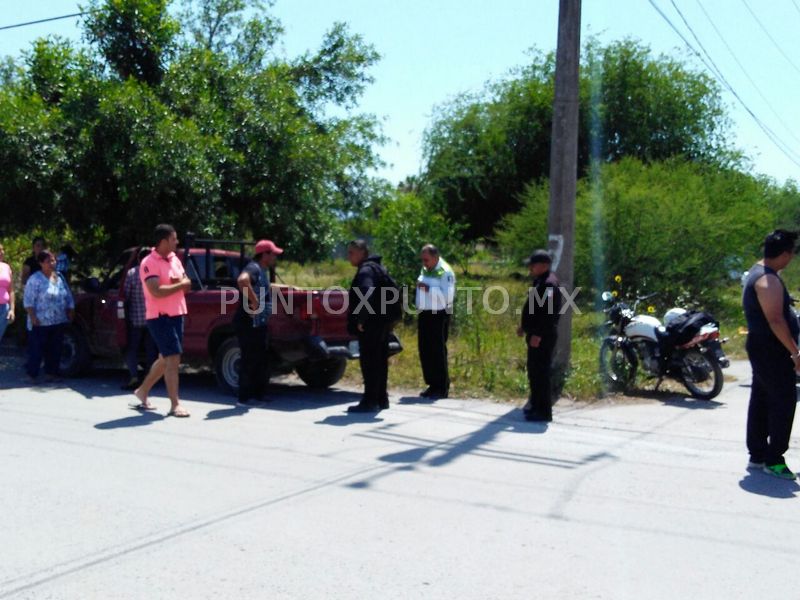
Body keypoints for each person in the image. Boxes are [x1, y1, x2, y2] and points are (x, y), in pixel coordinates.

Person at [742, 229, 800, 480]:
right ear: (785, 254)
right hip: (771, 348)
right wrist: (795, 352)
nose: (792, 259)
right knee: (784, 400)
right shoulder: (768, 281)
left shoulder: (758, 271)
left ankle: (757, 454)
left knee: (762, 397)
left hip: (761, 346)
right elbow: (776, 320)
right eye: (792, 254)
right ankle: (774, 459)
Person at [132, 224, 192, 417]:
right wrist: (180, 285)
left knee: (166, 358)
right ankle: (175, 405)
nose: (177, 242)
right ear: (164, 241)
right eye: (174, 239)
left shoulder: (175, 259)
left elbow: (186, 284)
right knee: (173, 358)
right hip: (159, 317)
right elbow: (156, 291)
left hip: (177, 313)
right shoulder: (149, 262)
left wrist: (180, 284)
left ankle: (142, 391)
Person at [346, 239, 392, 413]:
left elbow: (367, 292)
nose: (348, 256)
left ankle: (369, 401)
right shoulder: (379, 268)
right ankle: (382, 398)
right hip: (383, 322)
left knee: (370, 361)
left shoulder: (365, 271)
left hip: (371, 324)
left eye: (351, 252)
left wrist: (361, 319)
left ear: (362, 253)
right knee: (380, 360)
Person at [235, 239, 282, 406]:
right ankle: (244, 398)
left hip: (258, 323)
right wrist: (254, 301)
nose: (275, 257)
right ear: (265, 254)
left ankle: (257, 394)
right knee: (249, 358)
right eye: (273, 254)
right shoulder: (253, 268)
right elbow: (242, 281)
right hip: (249, 323)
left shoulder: (261, 270)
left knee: (260, 358)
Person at [516, 250, 562, 423]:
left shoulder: (549, 285)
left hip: (543, 336)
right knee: (534, 372)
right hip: (535, 333)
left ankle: (543, 411)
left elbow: (549, 315)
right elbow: (535, 309)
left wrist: (537, 334)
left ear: (544, 266)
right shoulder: (540, 282)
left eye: (533, 264)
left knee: (541, 373)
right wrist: (524, 326)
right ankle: (535, 405)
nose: (530, 267)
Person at [23, 250, 75, 382]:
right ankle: (32, 374)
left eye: (53, 261)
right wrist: (33, 316)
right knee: (37, 349)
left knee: (55, 348)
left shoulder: (58, 277)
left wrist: (70, 308)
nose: (52, 264)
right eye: (48, 261)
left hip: (58, 319)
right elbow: (28, 300)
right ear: (41, 263)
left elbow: (67, 294)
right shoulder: (35, 279)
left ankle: (51, 373)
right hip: (40, 321)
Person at [415, 244, 455, 399]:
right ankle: (432, 384)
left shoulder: (445, 272)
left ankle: (441, 386)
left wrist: (428, 290)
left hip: (438, 315)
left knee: (437, 351)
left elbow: (448, 297)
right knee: (425, 350)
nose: (424, 263)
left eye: (426, 259)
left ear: (435, 257)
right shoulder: (426, 269)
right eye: (422, 260)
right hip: (424, 313)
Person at [121, 247, 157, 390]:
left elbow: (125, 296)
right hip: (153, 318)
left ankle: (134, 377)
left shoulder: (132, 273)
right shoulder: (156, 273)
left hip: (136, 319)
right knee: (151, 350)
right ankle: (150, 378)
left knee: (132, 349)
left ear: (138, 259)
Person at [0, 243, 16, 344]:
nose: (2, 252)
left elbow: (11, 290)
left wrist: (12, 309)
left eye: (2, 250)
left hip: (4, 308)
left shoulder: (6, 267)